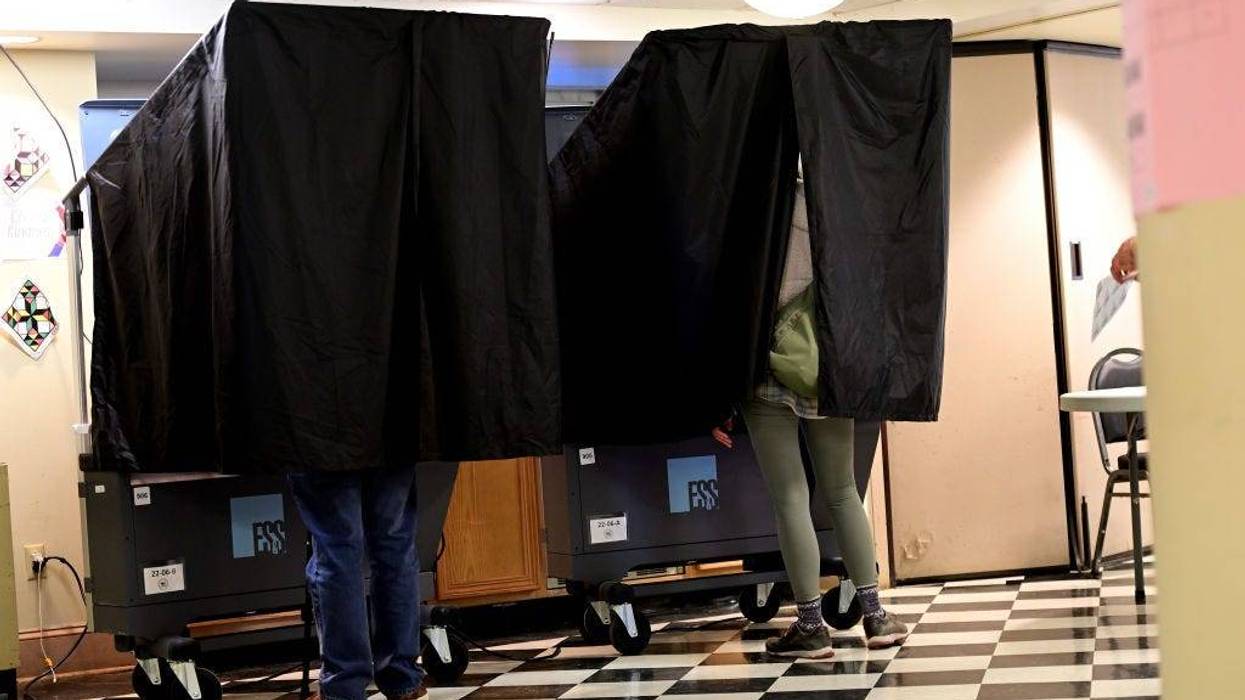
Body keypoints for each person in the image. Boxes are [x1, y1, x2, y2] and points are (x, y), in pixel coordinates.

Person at [713, 181, 909, 659]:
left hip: (764, 372)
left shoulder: (742, 211)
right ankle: (877, 616)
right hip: (825, 368)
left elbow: (724, 304)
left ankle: (810, 626)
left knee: (790, 500)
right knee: (843, 492)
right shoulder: (827, 202)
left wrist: (718, 399)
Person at [288, 467, 427, 700]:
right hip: (388, 435)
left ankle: (344, 688)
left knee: (337, 549)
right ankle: (403, 679)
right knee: (394, 542)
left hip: (323, 439)